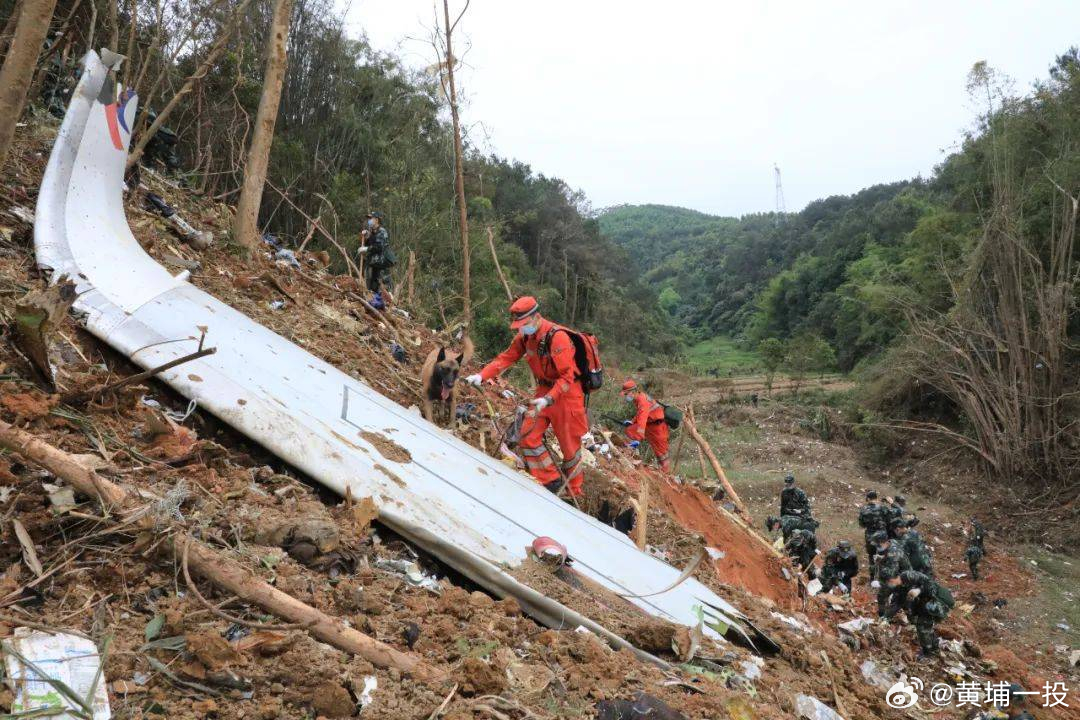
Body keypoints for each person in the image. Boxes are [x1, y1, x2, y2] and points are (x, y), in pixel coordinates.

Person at [465, 297, 588, 496]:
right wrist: (481, 375)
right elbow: (505, 358)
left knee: (569, 448)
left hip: (566, 394)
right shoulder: (524, 337)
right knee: (527, 435)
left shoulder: (558, 338)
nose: (521, 329)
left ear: (536, 317)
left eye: (524, 325)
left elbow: (567, 376)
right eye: (519, 326)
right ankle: (551, 482)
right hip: (543, 391)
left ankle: (574, 491)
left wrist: (549, 399)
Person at [898, 570, 954, 660]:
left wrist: (918, 590)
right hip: (930, 604)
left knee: (922, 627)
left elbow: (929, 587)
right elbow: (910, 603)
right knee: (926, 626)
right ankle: (934, 648)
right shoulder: (908, 585)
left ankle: (928, 653)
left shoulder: (923, 580)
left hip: (940, 603)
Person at [619, 379, 670, 472]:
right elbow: (640, 414)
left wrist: (637, 437)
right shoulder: (639, 398)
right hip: (651, 425)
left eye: (626, 394)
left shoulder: (642, 400)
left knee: (662, 453)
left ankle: (666, 474)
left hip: (657, 427)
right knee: (630, 430)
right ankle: (629, 452)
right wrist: (632, 421)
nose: (626, 397)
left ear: (633, 392)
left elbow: (642, 418)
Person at [873, 530, 911, 619]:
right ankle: (882, 616)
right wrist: (882, 558)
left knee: (900, 601)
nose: (877, 547)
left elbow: (890, 573)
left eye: (878, 544)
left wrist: (878, 580)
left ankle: (912, 620)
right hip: (896, 574)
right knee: (882, 595)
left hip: (903, 578)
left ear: (885, 542)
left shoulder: (893, 553)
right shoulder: (891, 543)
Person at [357, 211, 394, 293]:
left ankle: (388, 303)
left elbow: (379, 247)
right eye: (369, 219)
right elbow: (369, 243)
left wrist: (366, 249)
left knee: (384, 287)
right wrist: (366, 236)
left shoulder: (382, 231)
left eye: (371, 218)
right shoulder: (371, 232)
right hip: (373, 264)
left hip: (382, 264)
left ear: (376, 220)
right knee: (373, 287)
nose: (369, 220)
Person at [858, 491, 887, 577]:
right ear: (876, 498)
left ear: (868, 499)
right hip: (882, 536)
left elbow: (862, 524)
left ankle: (872, 578)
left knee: (871, 557)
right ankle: (882, 578)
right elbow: (889, 520)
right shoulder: (883, 508)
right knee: (883, 557)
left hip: (870, 536)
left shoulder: (863, 509)